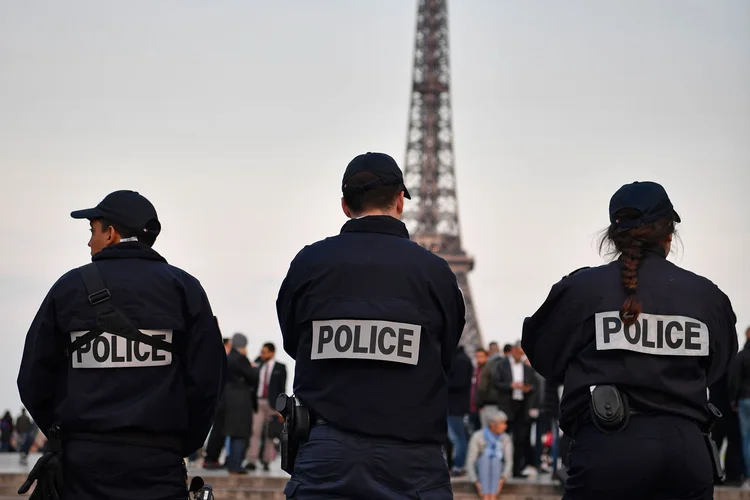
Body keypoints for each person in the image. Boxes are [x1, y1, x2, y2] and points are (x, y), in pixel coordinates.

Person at [521, 181, 738, 500]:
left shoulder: (581, 290)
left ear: (613, 235)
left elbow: (544, 355)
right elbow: (719, 365)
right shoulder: (707, 297)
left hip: (607, 446)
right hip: (687, 451)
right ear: (669, 234)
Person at [276, 152, 466, 499]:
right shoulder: (435, 272)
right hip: (411, 456)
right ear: (399, 201)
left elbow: (293, 341)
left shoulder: (309, 263)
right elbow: (446, 353)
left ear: (346, 205)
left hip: (325, 449)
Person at [17, 190, 227, 500]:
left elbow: (33, 378)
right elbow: (209, 380)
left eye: (92, 231)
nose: (89, 242)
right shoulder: (185, 289)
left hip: (82, 471)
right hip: (159, 467)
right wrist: (179, 443)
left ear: (111, 233)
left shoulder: (68, 288)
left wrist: (65, 436)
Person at [246, 342, 287, 472]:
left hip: (272, 405)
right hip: (258, 402)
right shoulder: (258, 364)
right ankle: (251, 460)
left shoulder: (280, 368)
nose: (262, 354)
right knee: (255, 431)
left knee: (270, 434)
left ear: (271, 352)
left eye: (264, 352)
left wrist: (281, 409)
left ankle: (266, 460)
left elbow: (282, 388)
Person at [222, 333, 259, 475]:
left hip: (228, 399)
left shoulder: (227, 358)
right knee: (241, 433)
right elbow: (252, 376)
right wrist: (254, 367)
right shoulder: (240, 358)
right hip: (240, 400)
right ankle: (236, 465)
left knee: (232, 433)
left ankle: (232, 464)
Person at [465, 410, 512, 500]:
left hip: (498, 472)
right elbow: (470, 461)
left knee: (495, 460)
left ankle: (491, 495)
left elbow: (509, 462)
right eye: (502, 423)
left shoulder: (506, 438)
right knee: (485, 458)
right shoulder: (478, 436)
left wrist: (502, 480)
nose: (505, 426)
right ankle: (487, 495)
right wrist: (476, 482)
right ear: (493, 425)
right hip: (480, 471)